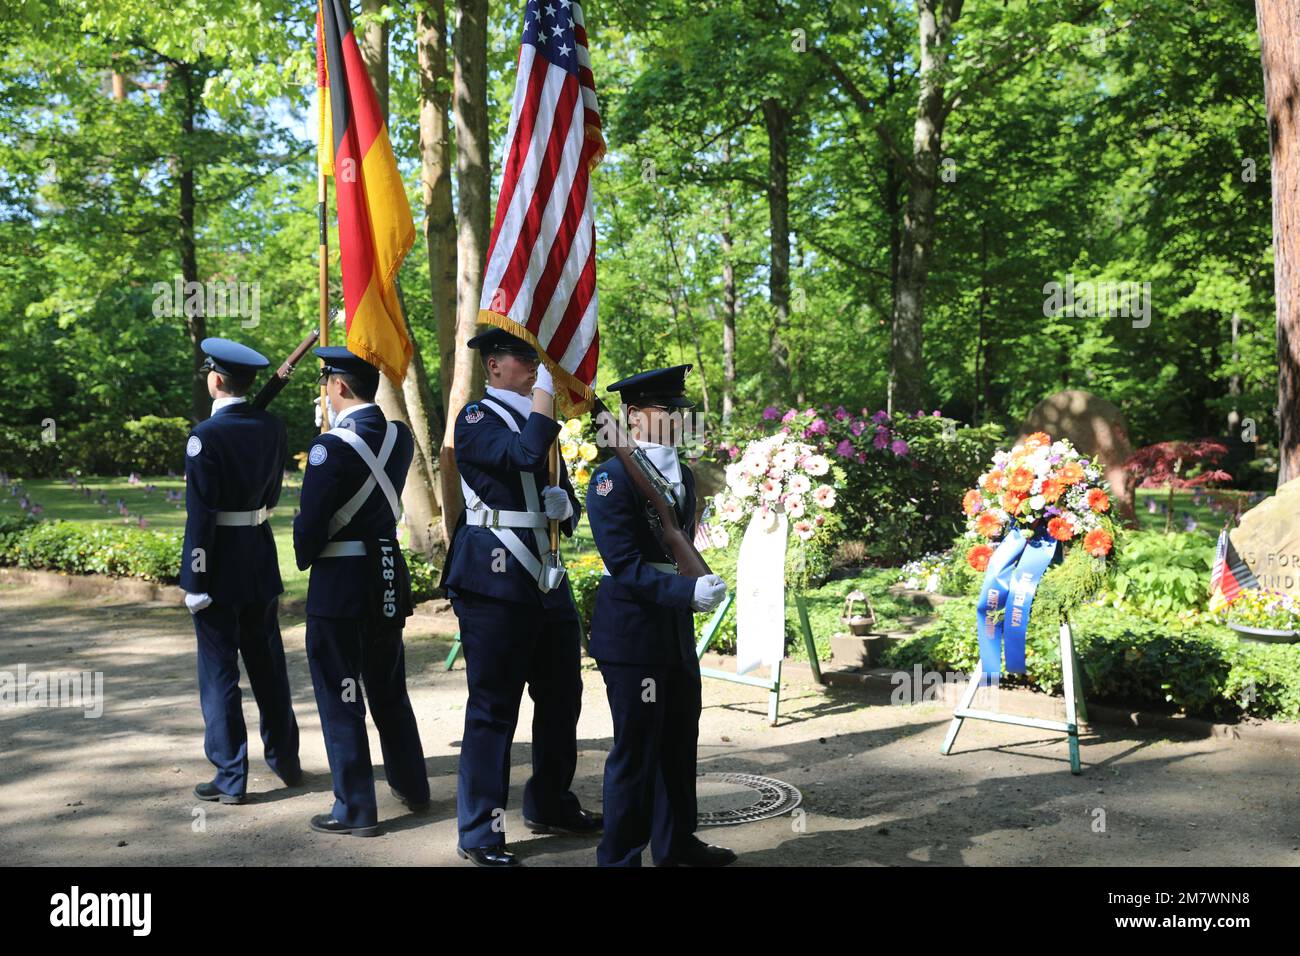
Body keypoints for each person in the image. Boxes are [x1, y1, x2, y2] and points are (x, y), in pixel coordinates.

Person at [439, 326, 600, 867]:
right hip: (493, 576)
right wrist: (547, 396)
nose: (534, 367)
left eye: (536, 360)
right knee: (494, 709)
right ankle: (481, 832)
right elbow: (525, 455)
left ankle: (551, 802)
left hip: (544, 579)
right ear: (494, 367)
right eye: (522, 359)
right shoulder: (476, 418)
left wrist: (565, 506)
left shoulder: (540, 423)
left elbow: (561, 496)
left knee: (562, 698)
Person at [584, 365, 735, 866]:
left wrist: (693, 587)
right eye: (663, 409)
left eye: (678, 410)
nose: (674, 418)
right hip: (632, 629)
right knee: (636, 749)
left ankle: (676, 845)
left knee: (679, 737)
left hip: (671, 627)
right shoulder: (611, 478)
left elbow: (678, 544)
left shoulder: (683, 476)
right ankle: (621, 855)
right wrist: (686, 592)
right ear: (632, 414)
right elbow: (624, 565)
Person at [293, 346, 428, 837]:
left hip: (341, 584)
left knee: (341, 694)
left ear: (340, 388)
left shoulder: (329, 447)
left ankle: (355, 809)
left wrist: (302, 543)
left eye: (327, 384)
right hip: (388, 575)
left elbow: (311, 526)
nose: (325, 394)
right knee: (389, 689)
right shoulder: (401, 438)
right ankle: (413, 786)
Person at [181, 337, 301, 805]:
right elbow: (271, 496)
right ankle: (285, 759)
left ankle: (231, 776)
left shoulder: (204, 436)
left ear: (215, 380)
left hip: (219, 564)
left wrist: (195, 579)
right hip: (259, 553)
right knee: (268, 665)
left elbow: (201, 514)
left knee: (219, 674)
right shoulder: (272, 426)